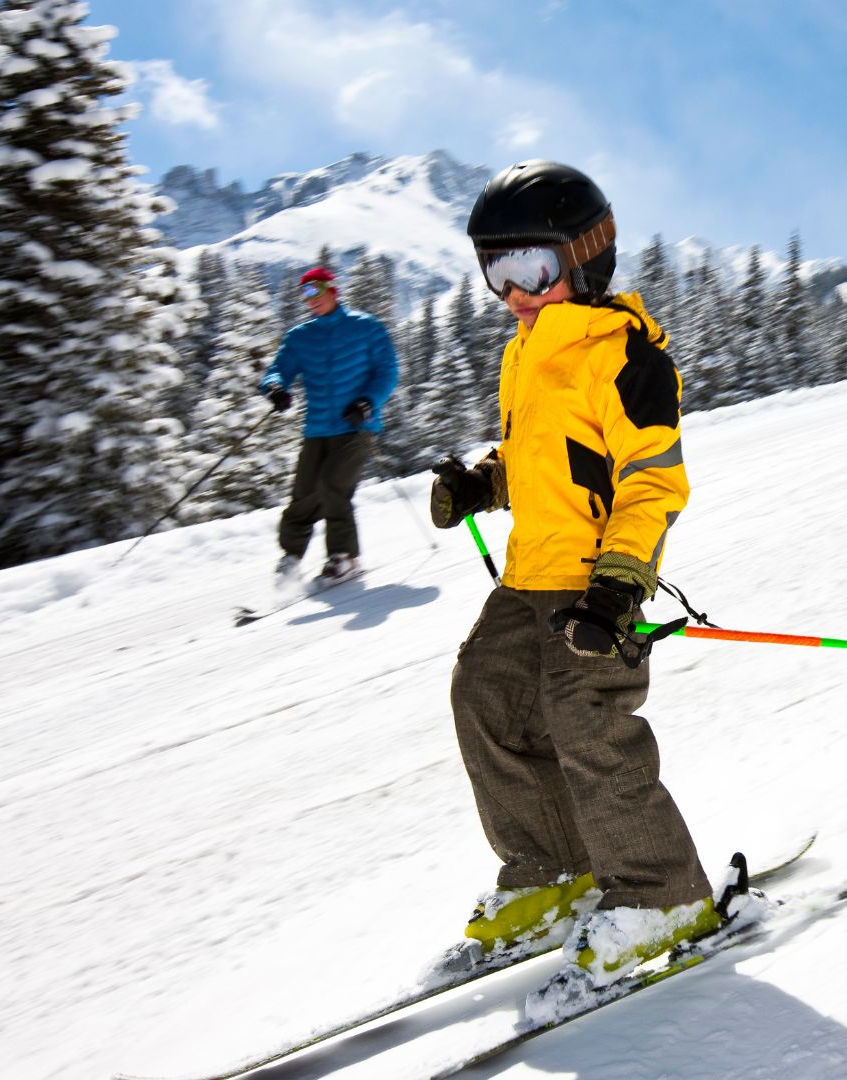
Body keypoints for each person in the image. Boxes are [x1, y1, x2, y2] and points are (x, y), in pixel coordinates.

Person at [428, 160, 715, 990]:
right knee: (484, 697)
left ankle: (663, 892)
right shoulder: (527, 351)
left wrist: (621, 585)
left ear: (585, 258)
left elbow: (651, 479)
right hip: (529, 576)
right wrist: (483, 483)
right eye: (498, 271)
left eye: (534, 269)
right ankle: (553, 872)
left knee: (586, 723)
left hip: (597, 584)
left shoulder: (625, 358)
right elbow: (541, 459)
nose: (515, 292)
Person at [258, 266, 400, 584]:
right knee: (304, 493)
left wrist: (367, 402)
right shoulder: (300, 337)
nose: (311, 299)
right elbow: (277, 370)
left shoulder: (365, 328)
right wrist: (276, 389)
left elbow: (388, 371)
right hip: (318, 428)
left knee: (334, 486)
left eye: (316, 291)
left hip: (357, 426)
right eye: (305, 293)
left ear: (333, 290)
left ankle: (344, 557)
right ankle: (292, 556)